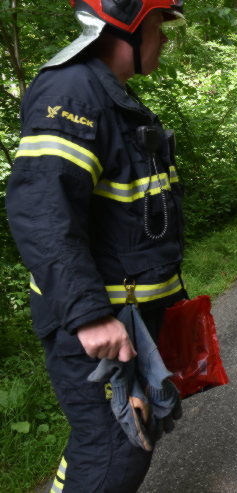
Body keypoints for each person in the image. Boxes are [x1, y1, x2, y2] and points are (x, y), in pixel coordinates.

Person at [5, 1, 188, 490]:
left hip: (128, 317)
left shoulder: (110, 97)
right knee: (113, 447)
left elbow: (133, 220)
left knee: (127, 435)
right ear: (126, 24)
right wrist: (88, 314)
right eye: (157, 26)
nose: (164, 39)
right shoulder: (71, 92)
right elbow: (43, 213)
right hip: (98, 322)